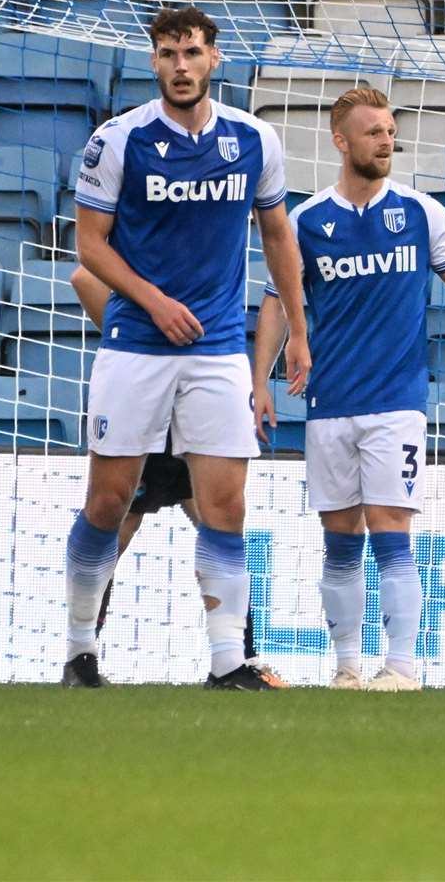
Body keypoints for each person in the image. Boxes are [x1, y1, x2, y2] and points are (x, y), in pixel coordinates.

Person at [63, 5, 308, 690]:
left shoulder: (254, 139)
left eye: (192, 52)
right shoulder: (118, 140)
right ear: (153, 61)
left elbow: (279, 236)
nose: (180, 65)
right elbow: (88, 246)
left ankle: (229, 663)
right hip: (136, 344)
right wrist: (153, 302)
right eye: (168, 53)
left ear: (213, 59)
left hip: (219, 347)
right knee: (108, 503)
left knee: (227, 506)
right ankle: (80, 651)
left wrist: (298, 326)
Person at [252, 88, 445, 692]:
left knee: (390, 529)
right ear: (341, 141)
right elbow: (278, 302)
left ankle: (403, 666)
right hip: (329, 402)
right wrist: (260, 378)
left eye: (390, 131)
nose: (387, 142)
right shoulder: (308, 222)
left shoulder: (420, 212)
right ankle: (346, 669)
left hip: (397, 402)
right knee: (338, 540)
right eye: (374, 133)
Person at [69, 265, 286, 688]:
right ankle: (83, 652)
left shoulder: (199, 271)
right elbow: (82, 276)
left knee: (217, 527)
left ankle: (237, 658)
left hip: (185, 421)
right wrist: (142, 328)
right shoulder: (153, 263)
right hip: (152, 423)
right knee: (117, 529)